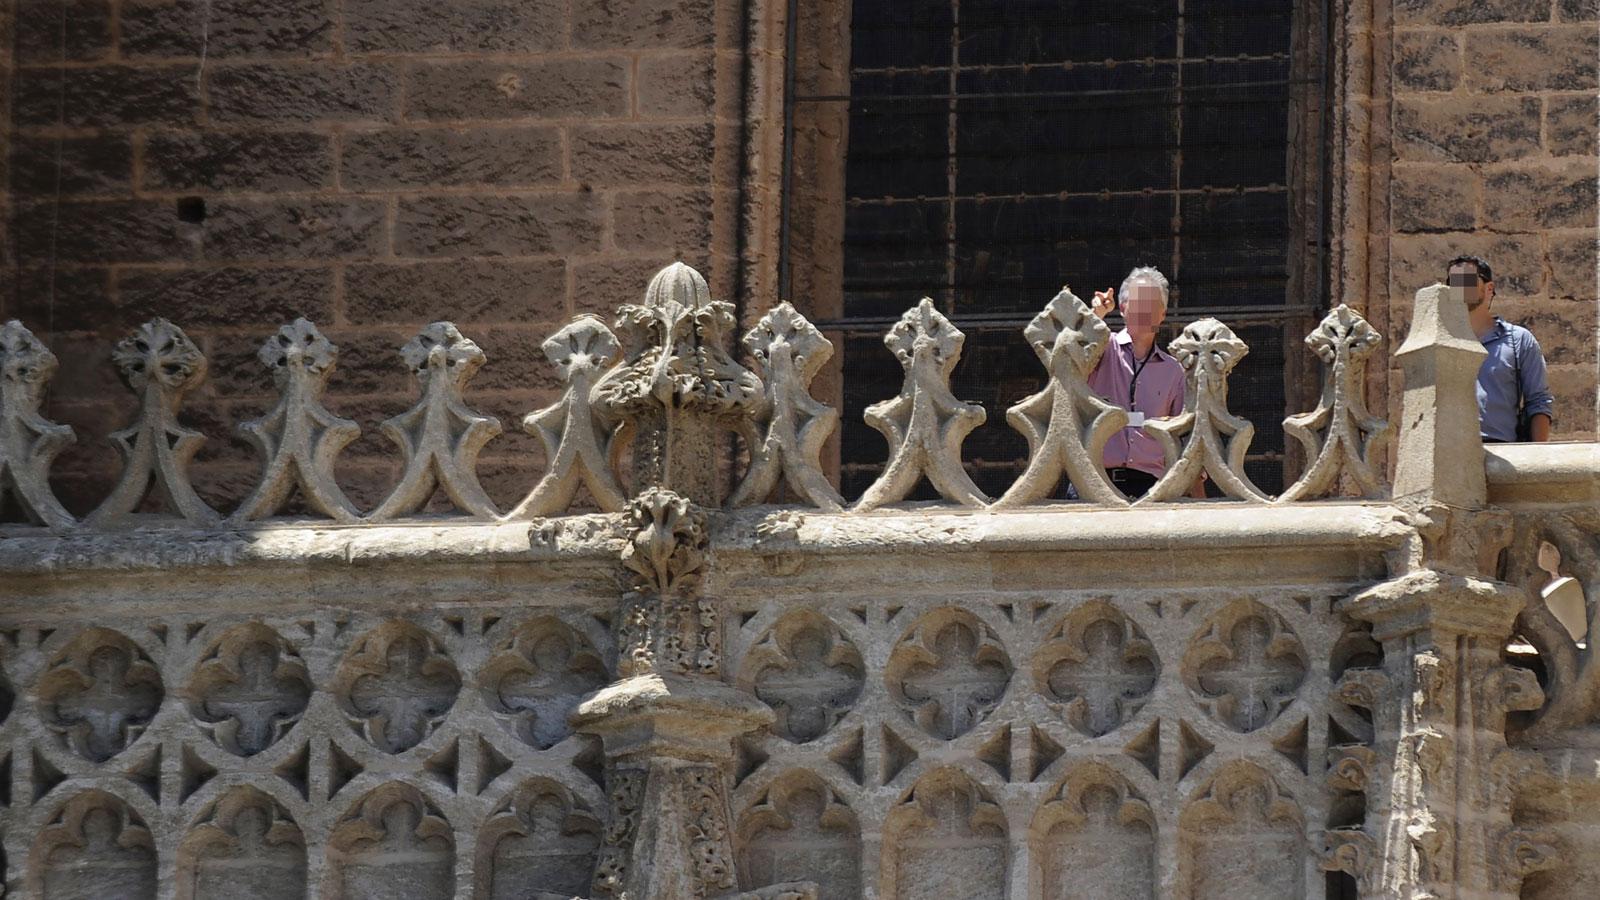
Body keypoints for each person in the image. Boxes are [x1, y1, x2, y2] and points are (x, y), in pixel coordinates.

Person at [1082, 266, 1202, 498]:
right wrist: (1095, 315)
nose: (1145, 312)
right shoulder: (1103, 347)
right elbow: (1071, 351)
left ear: (1163, 315)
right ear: (1124, 308)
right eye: (1139, 304)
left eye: (1153, 305)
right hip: (1095, 481)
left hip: (1150, 489)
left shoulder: (1173, 370)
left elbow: (1184, 439)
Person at [1446, 255, 1553, 442]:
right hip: (1450, 453)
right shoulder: (1440, 342)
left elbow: (1539, 402)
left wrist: (1536, 459)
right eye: (1453, 281)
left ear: (1489, 288)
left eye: (1467, 279)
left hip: (1501, 453)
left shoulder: (1519, 340)